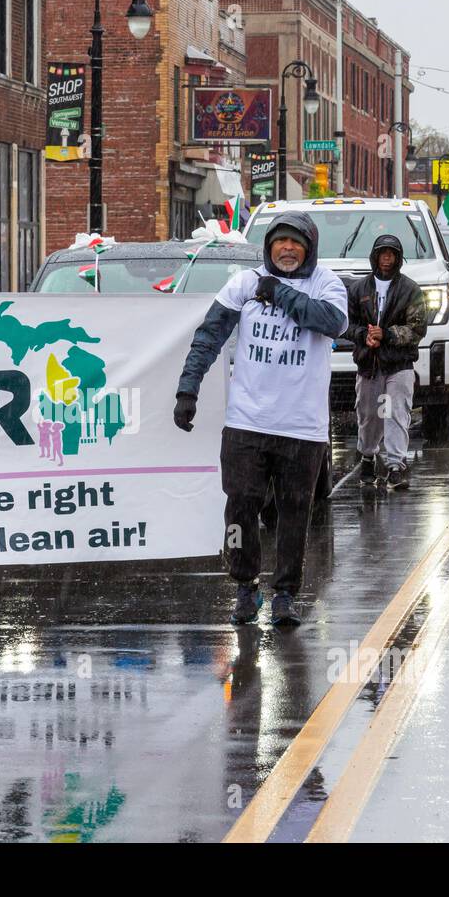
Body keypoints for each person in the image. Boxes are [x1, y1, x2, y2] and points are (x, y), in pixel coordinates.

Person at [173, 211, 348, 627]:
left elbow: (332, 322)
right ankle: (244, 587)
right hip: (247, 422)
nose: (287, 249)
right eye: (279, 242)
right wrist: (187, 388)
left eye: (296, 243)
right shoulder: (244, 283)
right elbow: (209, 335)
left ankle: (286, 594)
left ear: (309, 248)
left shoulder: (327, 284)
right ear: (268, 247)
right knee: (241, 507)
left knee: (293, 512)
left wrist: (280, 293)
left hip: (301, 426)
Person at [343, 234, 427, 489]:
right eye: (382, 253)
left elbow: (418, 328)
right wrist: (363, 336)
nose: (387, 258)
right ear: (375, 256)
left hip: (399, 364)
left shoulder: (410, 290)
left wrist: (388, 335)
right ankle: (368, 455)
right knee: (369, 415)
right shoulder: (358, 289)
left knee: (396, 413)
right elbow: (346, 323)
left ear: (398, 257)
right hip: (368, 365)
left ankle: (396, 465)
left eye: (391, 253)